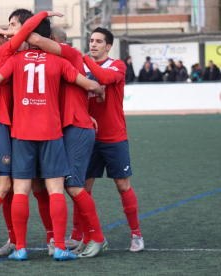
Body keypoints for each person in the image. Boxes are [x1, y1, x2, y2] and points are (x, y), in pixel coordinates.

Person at [0, 19, 104, 262]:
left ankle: (21, 248)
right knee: (55, 189)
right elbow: (87, 84)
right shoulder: (59, 61)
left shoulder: (14, 59)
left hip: (21, 134)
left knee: (21, 190)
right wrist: (99, 91)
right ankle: (58, 247)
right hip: (51, 133)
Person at [0, 10, 61, 262]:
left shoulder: (8, 57)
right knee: (4, 185)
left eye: (13, 27)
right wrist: (45, 12)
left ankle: (4, 241)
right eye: (6, 30)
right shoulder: (5, 53)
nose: (12, 34)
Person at [26, 24, 108, 258]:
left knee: (72, 185)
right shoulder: (49, 64)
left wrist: (11, 30)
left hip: (76, 127)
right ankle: (76, 237)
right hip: (64, 128)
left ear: (51, 41)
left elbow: (93, 86)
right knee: (52, 186)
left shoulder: (68, 53)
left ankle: (97, 238)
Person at [83, 27, 145, 252]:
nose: (93, 44)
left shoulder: (117, 65)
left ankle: (136, 234)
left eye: (99, 41)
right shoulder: (83, 67)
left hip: (114, 137)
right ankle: (80, 235)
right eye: (91, 41)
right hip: (88, 138)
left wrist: (85, 62)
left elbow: (105, 77)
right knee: (82, 189)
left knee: (122, 185)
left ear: (108, 46)